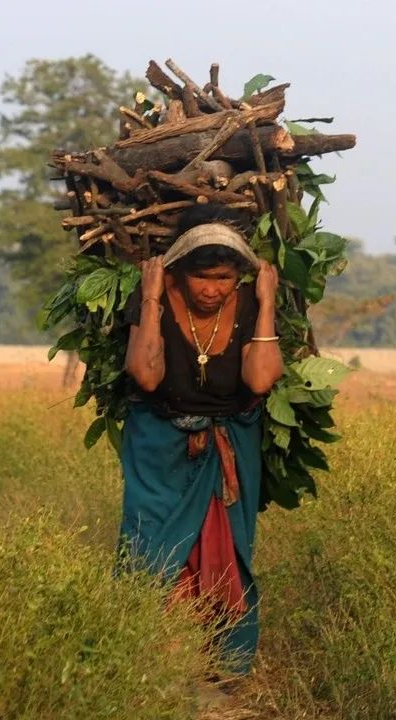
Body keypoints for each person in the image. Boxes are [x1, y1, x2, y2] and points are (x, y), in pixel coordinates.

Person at [118, 204, 283, 675]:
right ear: (180, 273)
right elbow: (146, 376)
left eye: (225, 279)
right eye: (202, 278)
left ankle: (223, 663)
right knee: (151, 543)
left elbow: (261, 380)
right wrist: (150, 300)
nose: (212, 290)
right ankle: (149, 658)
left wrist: (268, 304)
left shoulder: (253, 303)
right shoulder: (152, 296)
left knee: (228, 549)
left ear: (239, 278)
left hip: (231, 441)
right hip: (158, 442)